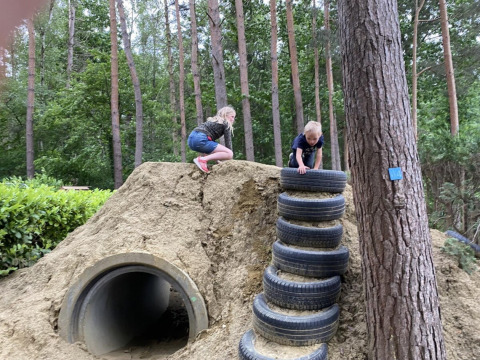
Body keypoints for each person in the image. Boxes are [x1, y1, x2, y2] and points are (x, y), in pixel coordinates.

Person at [188, 106, 236, 173]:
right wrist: (230, 159)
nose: (233, 119)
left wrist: (217, 161)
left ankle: (203, 160)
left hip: (191, 140)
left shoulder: (213, 121)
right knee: (229, 153)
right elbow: (228, 142)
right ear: (226, 115)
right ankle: (202, 159)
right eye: (232, 116)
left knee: (217, 148)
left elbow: (213, 147)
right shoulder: (226, 123)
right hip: (201, 138)